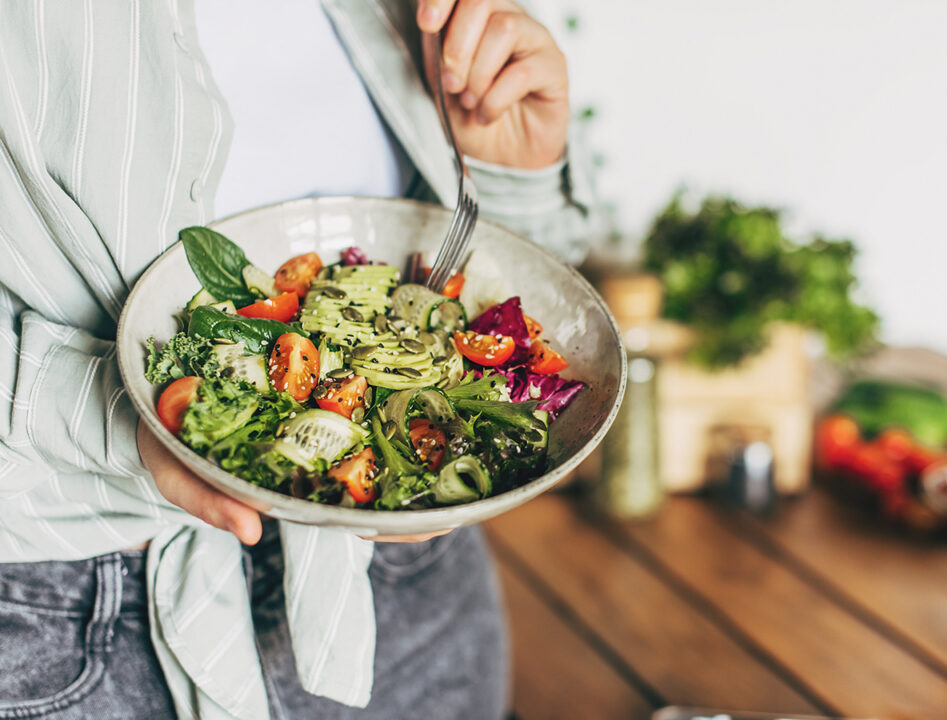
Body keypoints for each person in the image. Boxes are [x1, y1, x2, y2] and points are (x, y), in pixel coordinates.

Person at [0, 1, 589, 718]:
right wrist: (102, 404)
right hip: (72, 609)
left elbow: (487, 281)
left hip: (408, 574)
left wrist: (506, 169)